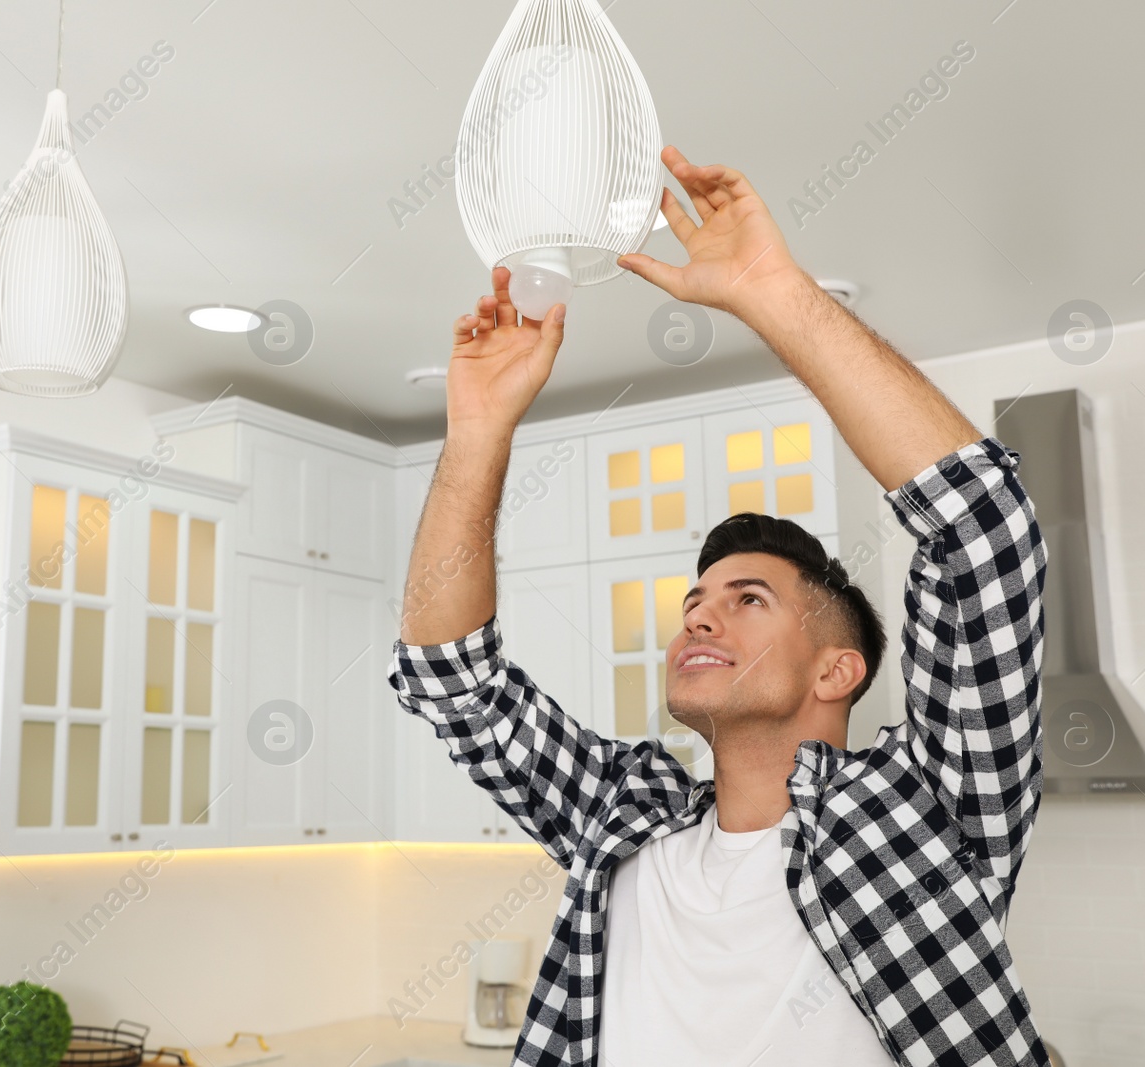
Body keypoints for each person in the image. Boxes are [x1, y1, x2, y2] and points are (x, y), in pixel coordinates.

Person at [387, 146, 1049, 1067]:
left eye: (749, 600)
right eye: (696, 600)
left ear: (838, 667)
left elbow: (983, 531)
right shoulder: (623, 815)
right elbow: (450, 679)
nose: (698, 617)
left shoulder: (927, 810)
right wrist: (477, 432)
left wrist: (770, 291)